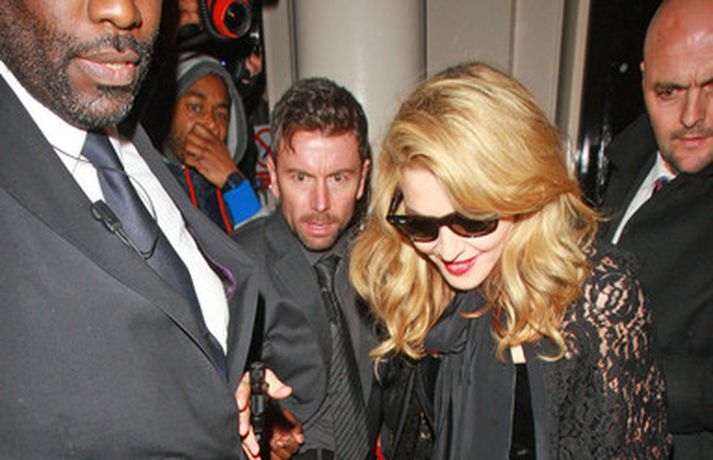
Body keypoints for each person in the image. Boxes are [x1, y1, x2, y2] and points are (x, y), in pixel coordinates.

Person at [0, 1, 282, 457]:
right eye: (196, 106)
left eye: (220, 111)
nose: (121, 10)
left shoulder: (134, 149)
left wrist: (223, 386)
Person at [350, 62, 671, 459]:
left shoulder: (598, 296)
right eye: (422, 224)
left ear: (524, 192)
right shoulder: (423, 286)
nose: (447, 250)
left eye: (473, 221)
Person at [233, 77, 377, 459]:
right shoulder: (238, 265)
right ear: (273, 175)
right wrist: (257, 422)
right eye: (301, 178)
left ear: (362, 178)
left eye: (338, 178)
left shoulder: (384, 260)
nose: (320, 203)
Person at [599, 0, 713, 457]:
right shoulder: (626, 162)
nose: (692, 115)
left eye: (712, 87)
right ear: (644, 80)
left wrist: (615, 373)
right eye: (668, 91)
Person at [160, 52, 265, 232]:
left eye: (220, 114)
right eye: (195, 107)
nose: (211, 123)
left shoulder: (234, 188)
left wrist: (233, 182)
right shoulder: (144, 179)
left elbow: (262, 243)